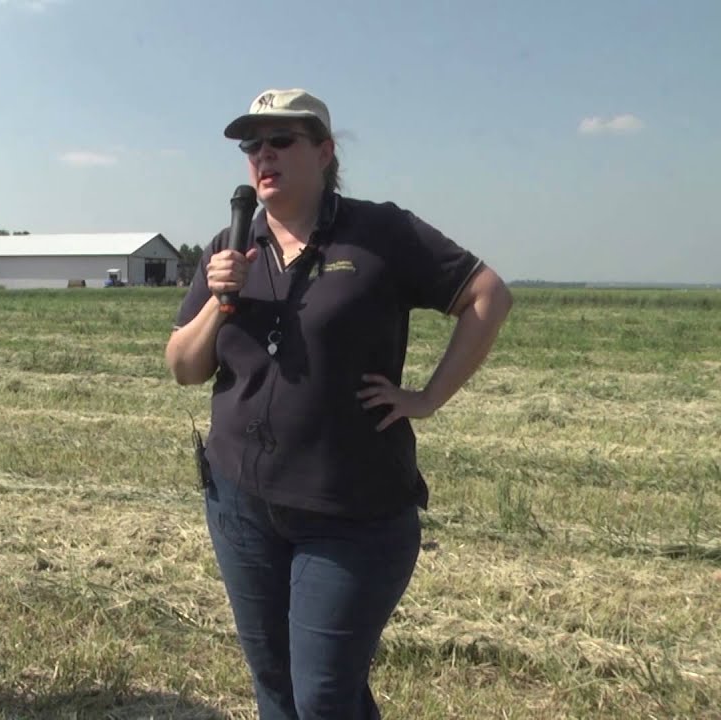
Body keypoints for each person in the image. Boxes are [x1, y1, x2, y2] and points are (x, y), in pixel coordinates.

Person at [164, 89, 513, 719]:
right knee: (274, 683)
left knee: (325, 694)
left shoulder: (379, 233)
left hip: (351, 513)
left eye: (281, 141)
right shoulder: (231, 246)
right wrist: (220, 300)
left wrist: (429, 397)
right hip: (241, 505)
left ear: (325, 152)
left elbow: (487, 296)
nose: (263, 155)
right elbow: (184, 368)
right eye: (252, 146)